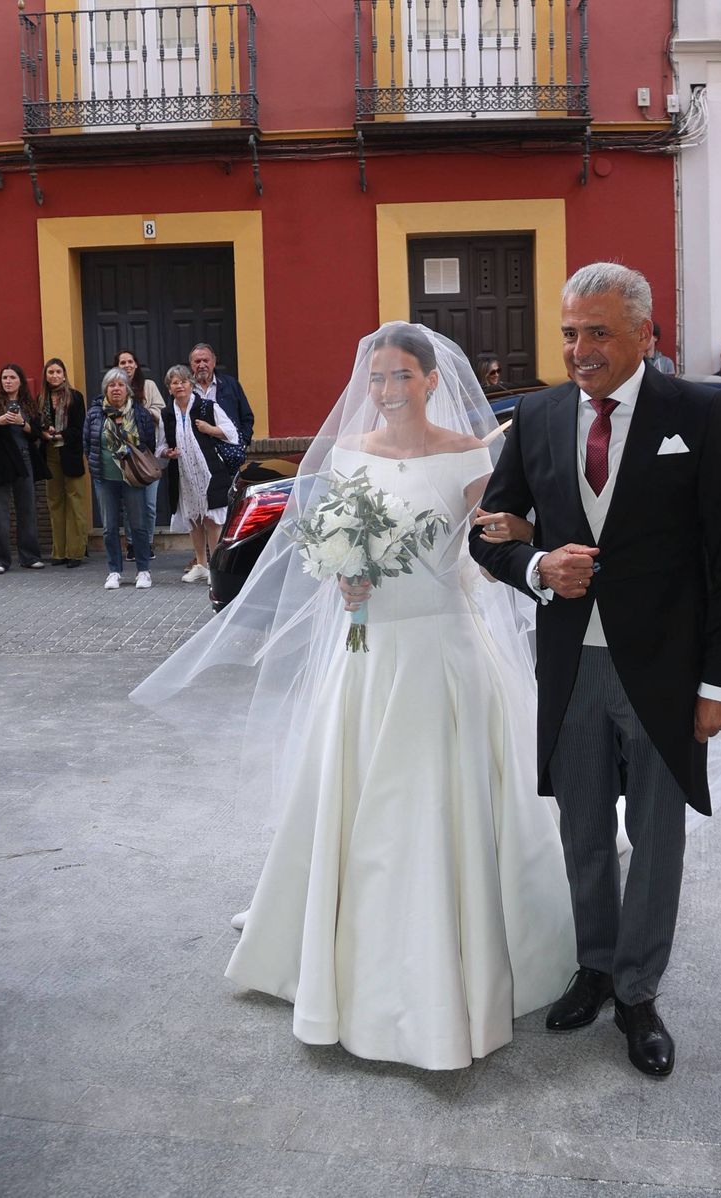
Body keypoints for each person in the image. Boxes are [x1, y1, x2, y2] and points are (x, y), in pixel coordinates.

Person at [132, 323, 576, 1070]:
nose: (390, 391)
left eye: (403, 376)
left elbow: (491, 544)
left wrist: (507, 563)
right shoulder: (348, 454)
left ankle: (452, 955)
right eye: (379, 379)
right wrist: (343, 573)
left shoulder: (472, 455)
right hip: (368, 649)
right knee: (359, 789)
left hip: (441, 646)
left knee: (439, 797)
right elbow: (331, 541)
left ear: (432, 381)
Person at [469, 263, 721, 1078]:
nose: (580, 349)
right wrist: (534, 566)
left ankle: (638, 992)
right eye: (569, 332)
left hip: (667, 672)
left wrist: (720, 684)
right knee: (583, 832)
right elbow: (487, 534)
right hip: (569, 668)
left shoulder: (696, 413)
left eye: (598, 332)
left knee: (657, 838)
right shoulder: (538, 415)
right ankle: (594, 966)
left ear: (644, 333)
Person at [157, 364, 239, 584]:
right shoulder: (167, 414)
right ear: (169, 388)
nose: (180, 385)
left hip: (210, 472)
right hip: (184, 473)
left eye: (183, 381)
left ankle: (215, 566)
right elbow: (160, 446)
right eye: (175, 382)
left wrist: (209, 429)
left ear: (190, 384)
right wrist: (167, 452)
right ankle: (201, 565)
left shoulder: (206, 407)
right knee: (194, 519)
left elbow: (232, 433)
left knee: (212, 519)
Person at [83, 367, 155, 590]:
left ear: (128, 389)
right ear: (106, 388)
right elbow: (87, 442)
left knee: (138, 525)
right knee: (109, 526)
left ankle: (143, 570)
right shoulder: (95, 413)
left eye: (120, 385)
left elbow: (148, 443)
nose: (116, 389)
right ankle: (114, 571)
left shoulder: (140, 413)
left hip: (132, 479)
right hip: (105, 477)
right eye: (112, 385)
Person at [0, 364, 48, 575]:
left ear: (20, 381)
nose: (8, 381)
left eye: (12, 377)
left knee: (27, 509)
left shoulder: (29, 405)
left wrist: (22, 422)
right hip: (0, 462)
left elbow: (36, 433)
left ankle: (30, 556)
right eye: (4, 377)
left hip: (24, 460)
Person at [115, 350, 166, 564]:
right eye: (122, 362)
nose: (127, 365)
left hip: (148, 452)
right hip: (126, 454)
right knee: (130, 503)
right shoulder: (115, 386)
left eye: (130, 361)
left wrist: (140, 411)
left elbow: (161, 411)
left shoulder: (150, 386)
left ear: (136, 364)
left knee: (149, 504)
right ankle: (132, 544)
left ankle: (148, 542)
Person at [39, 357, 89, 568]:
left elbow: (80, 428)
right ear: (46, 376)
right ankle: (59, 552)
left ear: (64, 374)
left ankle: (75, 552)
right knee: (55, 502)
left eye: (58, 372)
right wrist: (44, 432)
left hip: (70, 453)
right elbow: (36, 423)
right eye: (51, 372)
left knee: (75, 501)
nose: (54, 376)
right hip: (50, 453)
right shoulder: (41, 398)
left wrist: (60, 434)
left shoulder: (75, 397)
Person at [188, 343, 254, 446]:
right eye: (197, 361)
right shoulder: (184, 388)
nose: (201, 365)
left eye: (206, 360)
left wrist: (242, 442)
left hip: (228, 450)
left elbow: (246, 417)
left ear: (214, 362)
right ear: (191, 364)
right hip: (196, 450)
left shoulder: (231, 384)